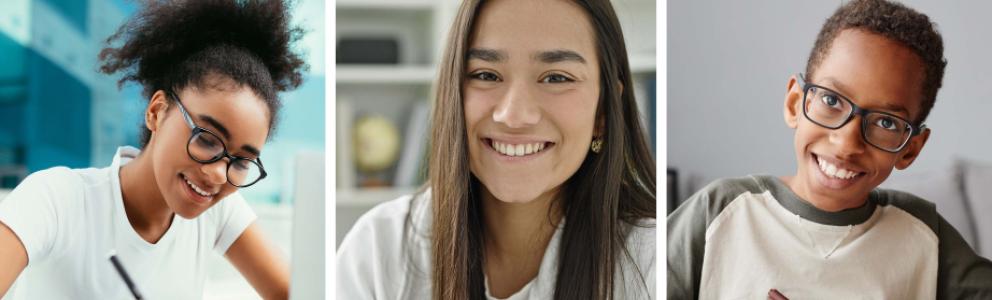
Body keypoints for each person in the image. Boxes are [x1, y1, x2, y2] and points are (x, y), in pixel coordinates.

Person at [667, 0, 992, 299]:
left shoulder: (924, 236)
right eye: (832, 100)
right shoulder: (719, 212)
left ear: (911, 149)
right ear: (796, 103)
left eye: (887, 122)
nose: (847, 143)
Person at [336, 0, 657, 299]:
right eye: (486, 75)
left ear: (604, 110)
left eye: (556, 77)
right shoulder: (380, 247)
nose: (514, 116)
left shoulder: (653, 261)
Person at [0, 0, 307, 298]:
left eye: (240, 161)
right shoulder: (57, 199)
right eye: (207, 139)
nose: (216, 174)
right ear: (157, 111)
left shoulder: (218, 210)